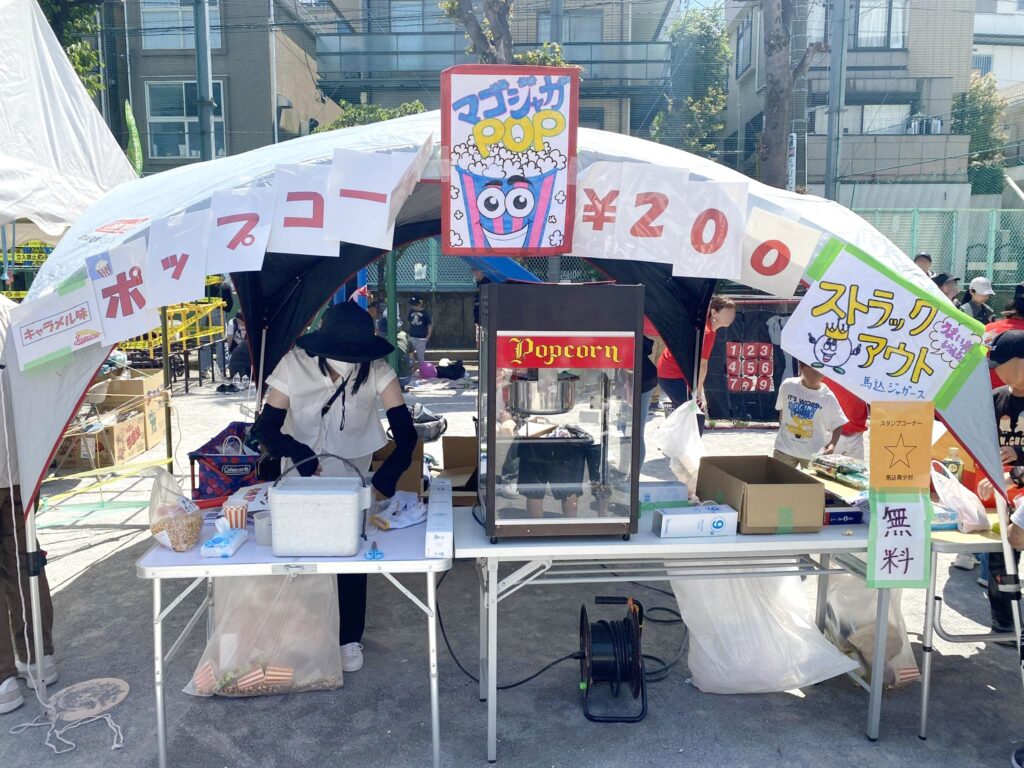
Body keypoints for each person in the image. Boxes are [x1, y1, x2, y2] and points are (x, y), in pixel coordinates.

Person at [252, 302, 419, 673]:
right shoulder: (293, 365)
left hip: (350, 475)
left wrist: (388, 475)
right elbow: (265, 429)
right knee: (299, 551)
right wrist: (296, 450)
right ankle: (302, 632)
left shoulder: (377, 369)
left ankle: (348, 637)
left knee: (350, 552)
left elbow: (406, 435)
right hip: (300, 477)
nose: (351, 360)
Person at [0, 296, 57, 715]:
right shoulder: (15, 313)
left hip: (19, 462)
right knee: (25, 561)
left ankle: (4, 678)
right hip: (20, 461)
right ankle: (39, 655)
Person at [977, 330, 1024, 641]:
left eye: (1001, 364)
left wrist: (1018, 457)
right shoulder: (996, 399)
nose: (997, 371)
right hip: (1002, 492)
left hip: (1016, 484)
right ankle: (1005, 622)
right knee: (1001, 556)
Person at [657, 295, 737, 412]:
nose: (731, 316)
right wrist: (698, 393)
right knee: (695, 412)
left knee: (691, 412)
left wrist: (699, 391)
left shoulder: (708, 328)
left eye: (733, 313)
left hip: (673, 373)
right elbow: (702, 366)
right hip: (672, 374)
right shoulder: (707, 332)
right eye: (727, 313)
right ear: (714, 312)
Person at [773, 361, 847, 469]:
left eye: (820, 372)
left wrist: (832, 445)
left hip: (813, 455)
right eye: (813, 371)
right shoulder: (787, 385)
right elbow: (782, 410)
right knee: (777, 479)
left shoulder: (827, 396)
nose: (816, 375)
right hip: (784, 450)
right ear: (801, 367)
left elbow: (838, 422)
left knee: (810, 481)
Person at [824, 377, 869, 459]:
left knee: (856, 468)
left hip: (856, 436)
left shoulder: (867, 374)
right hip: (831, 433)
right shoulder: (827, 372)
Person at [224, 313, 251, 387]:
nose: (238, 322)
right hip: (236, 347)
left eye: (239, 321)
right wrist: (229, 351)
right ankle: (239, 376)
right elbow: (229, 339)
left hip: (247, 347)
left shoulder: (250, 323)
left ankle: (244, 377)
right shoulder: (233, 323)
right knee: (236, 360)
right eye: (237, 320)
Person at [406, 296, 432, 373]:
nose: (414, 307)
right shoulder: (411, 311)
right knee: (408, 354)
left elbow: (429, 325)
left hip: (421, 338)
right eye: (413, 305)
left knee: (420, 356)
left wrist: (428, 336)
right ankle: (412, 367)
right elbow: (409, 323)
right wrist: (408, 334)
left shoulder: (425, 313)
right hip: (412, 337)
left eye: (416, 305)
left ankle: (422, 371)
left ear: (420, 304)